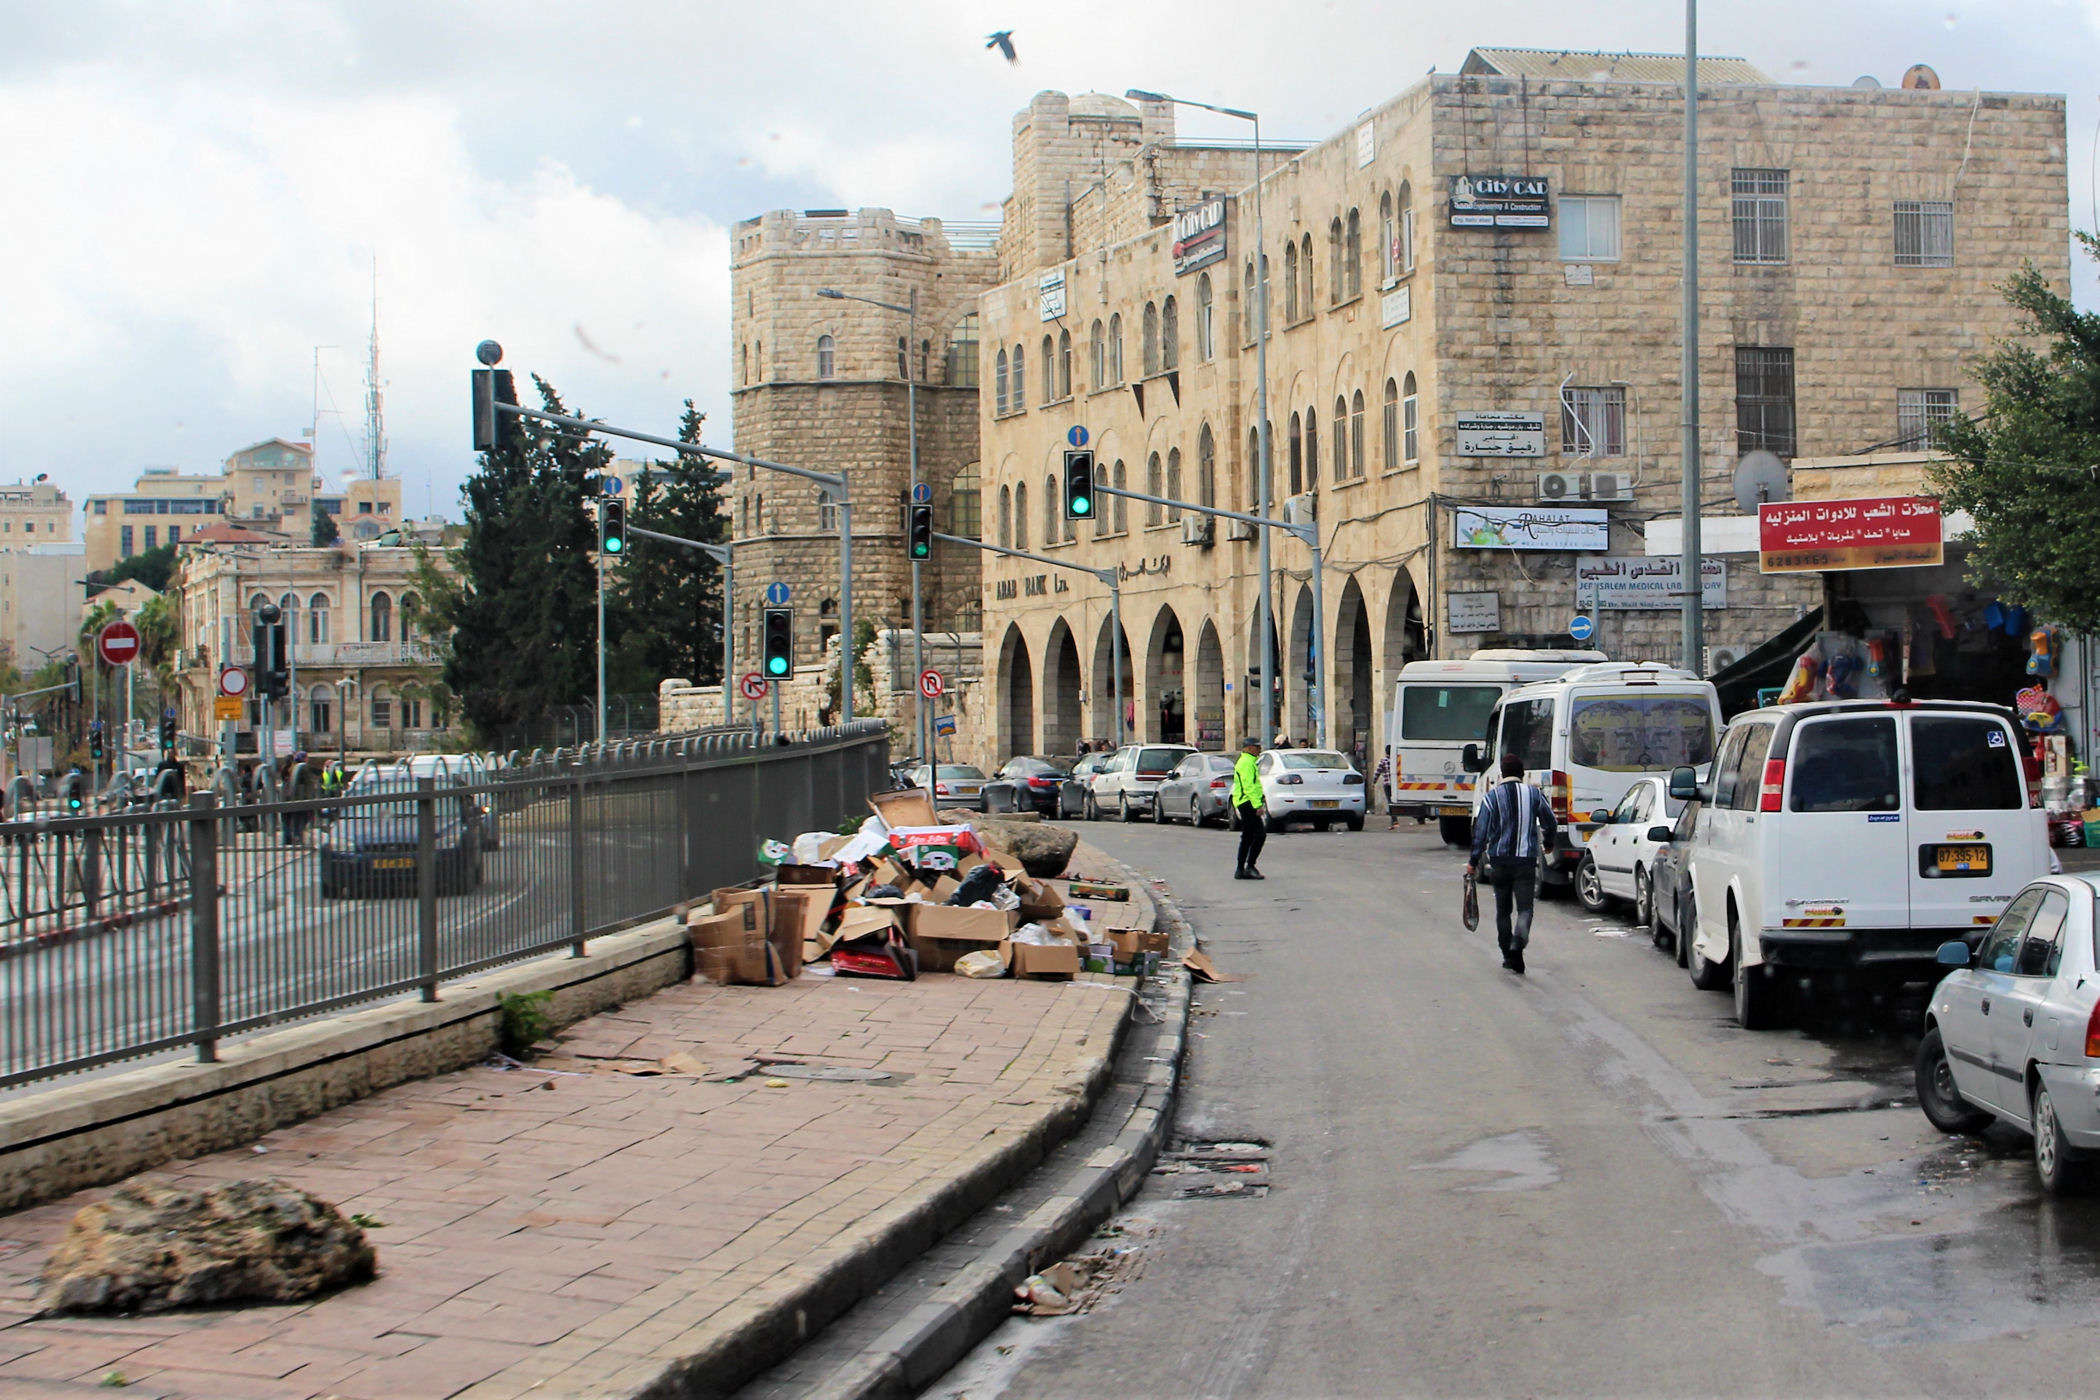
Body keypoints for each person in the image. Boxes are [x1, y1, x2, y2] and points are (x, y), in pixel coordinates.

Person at [1466, 752, 1558, 974]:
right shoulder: (1534, 794)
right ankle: (1518, 942)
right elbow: (1551, 822)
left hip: (1499, 862)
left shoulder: (1491, 797)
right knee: (1525, 909)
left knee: (1503, 911)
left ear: (1502, 774)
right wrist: (1548, 843)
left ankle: (1508, 954)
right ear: (1522, 774)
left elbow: (1481, 832)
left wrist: (1473, 861)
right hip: (1525, 861)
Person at [1231, 737, 1267, 880]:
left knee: (1247, 835)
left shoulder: (1248, 761)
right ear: (1249, 748)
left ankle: (1241, 869)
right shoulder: (1246, 762)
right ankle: (1249, 866)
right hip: (1247, 802)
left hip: (1245, 801)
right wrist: (1257, 805)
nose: (1259, 750)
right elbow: (1249, 786)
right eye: (1257, 747)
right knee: (1259, 834)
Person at [1372, 746, 1397, 830]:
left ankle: (1394, 820)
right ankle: (1394, 820)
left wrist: (1373, 782)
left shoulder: (1383, 761)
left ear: (1386, 752)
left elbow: (1377, 772)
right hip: (1395, 784)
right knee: (1395, 802)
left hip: (1387, 784)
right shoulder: (1396, 760)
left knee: (1390, 801)